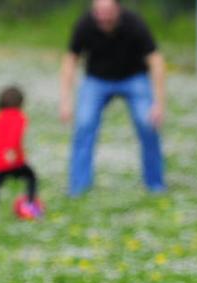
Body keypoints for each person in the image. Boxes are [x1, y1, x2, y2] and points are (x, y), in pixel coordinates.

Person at [59, 0, 167, 196]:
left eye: (107, 12)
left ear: (118, 9)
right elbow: (70, 60)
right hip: (97, 80)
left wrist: (158, 103)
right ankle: (78, 188)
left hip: (133, 78)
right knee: (84, 124)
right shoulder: (85, 24)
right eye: (98, 12)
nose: (103, 17)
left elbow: (156, 60)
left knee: (147, 123)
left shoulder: (134, 23)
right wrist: (66, 100)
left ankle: (155, 185)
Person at [0, 85, 43, 229]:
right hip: (13, 161)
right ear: (21, 102)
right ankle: (31, 206)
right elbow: (15, 135)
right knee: (31, 178)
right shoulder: (19, 117)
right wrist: (11, 151)